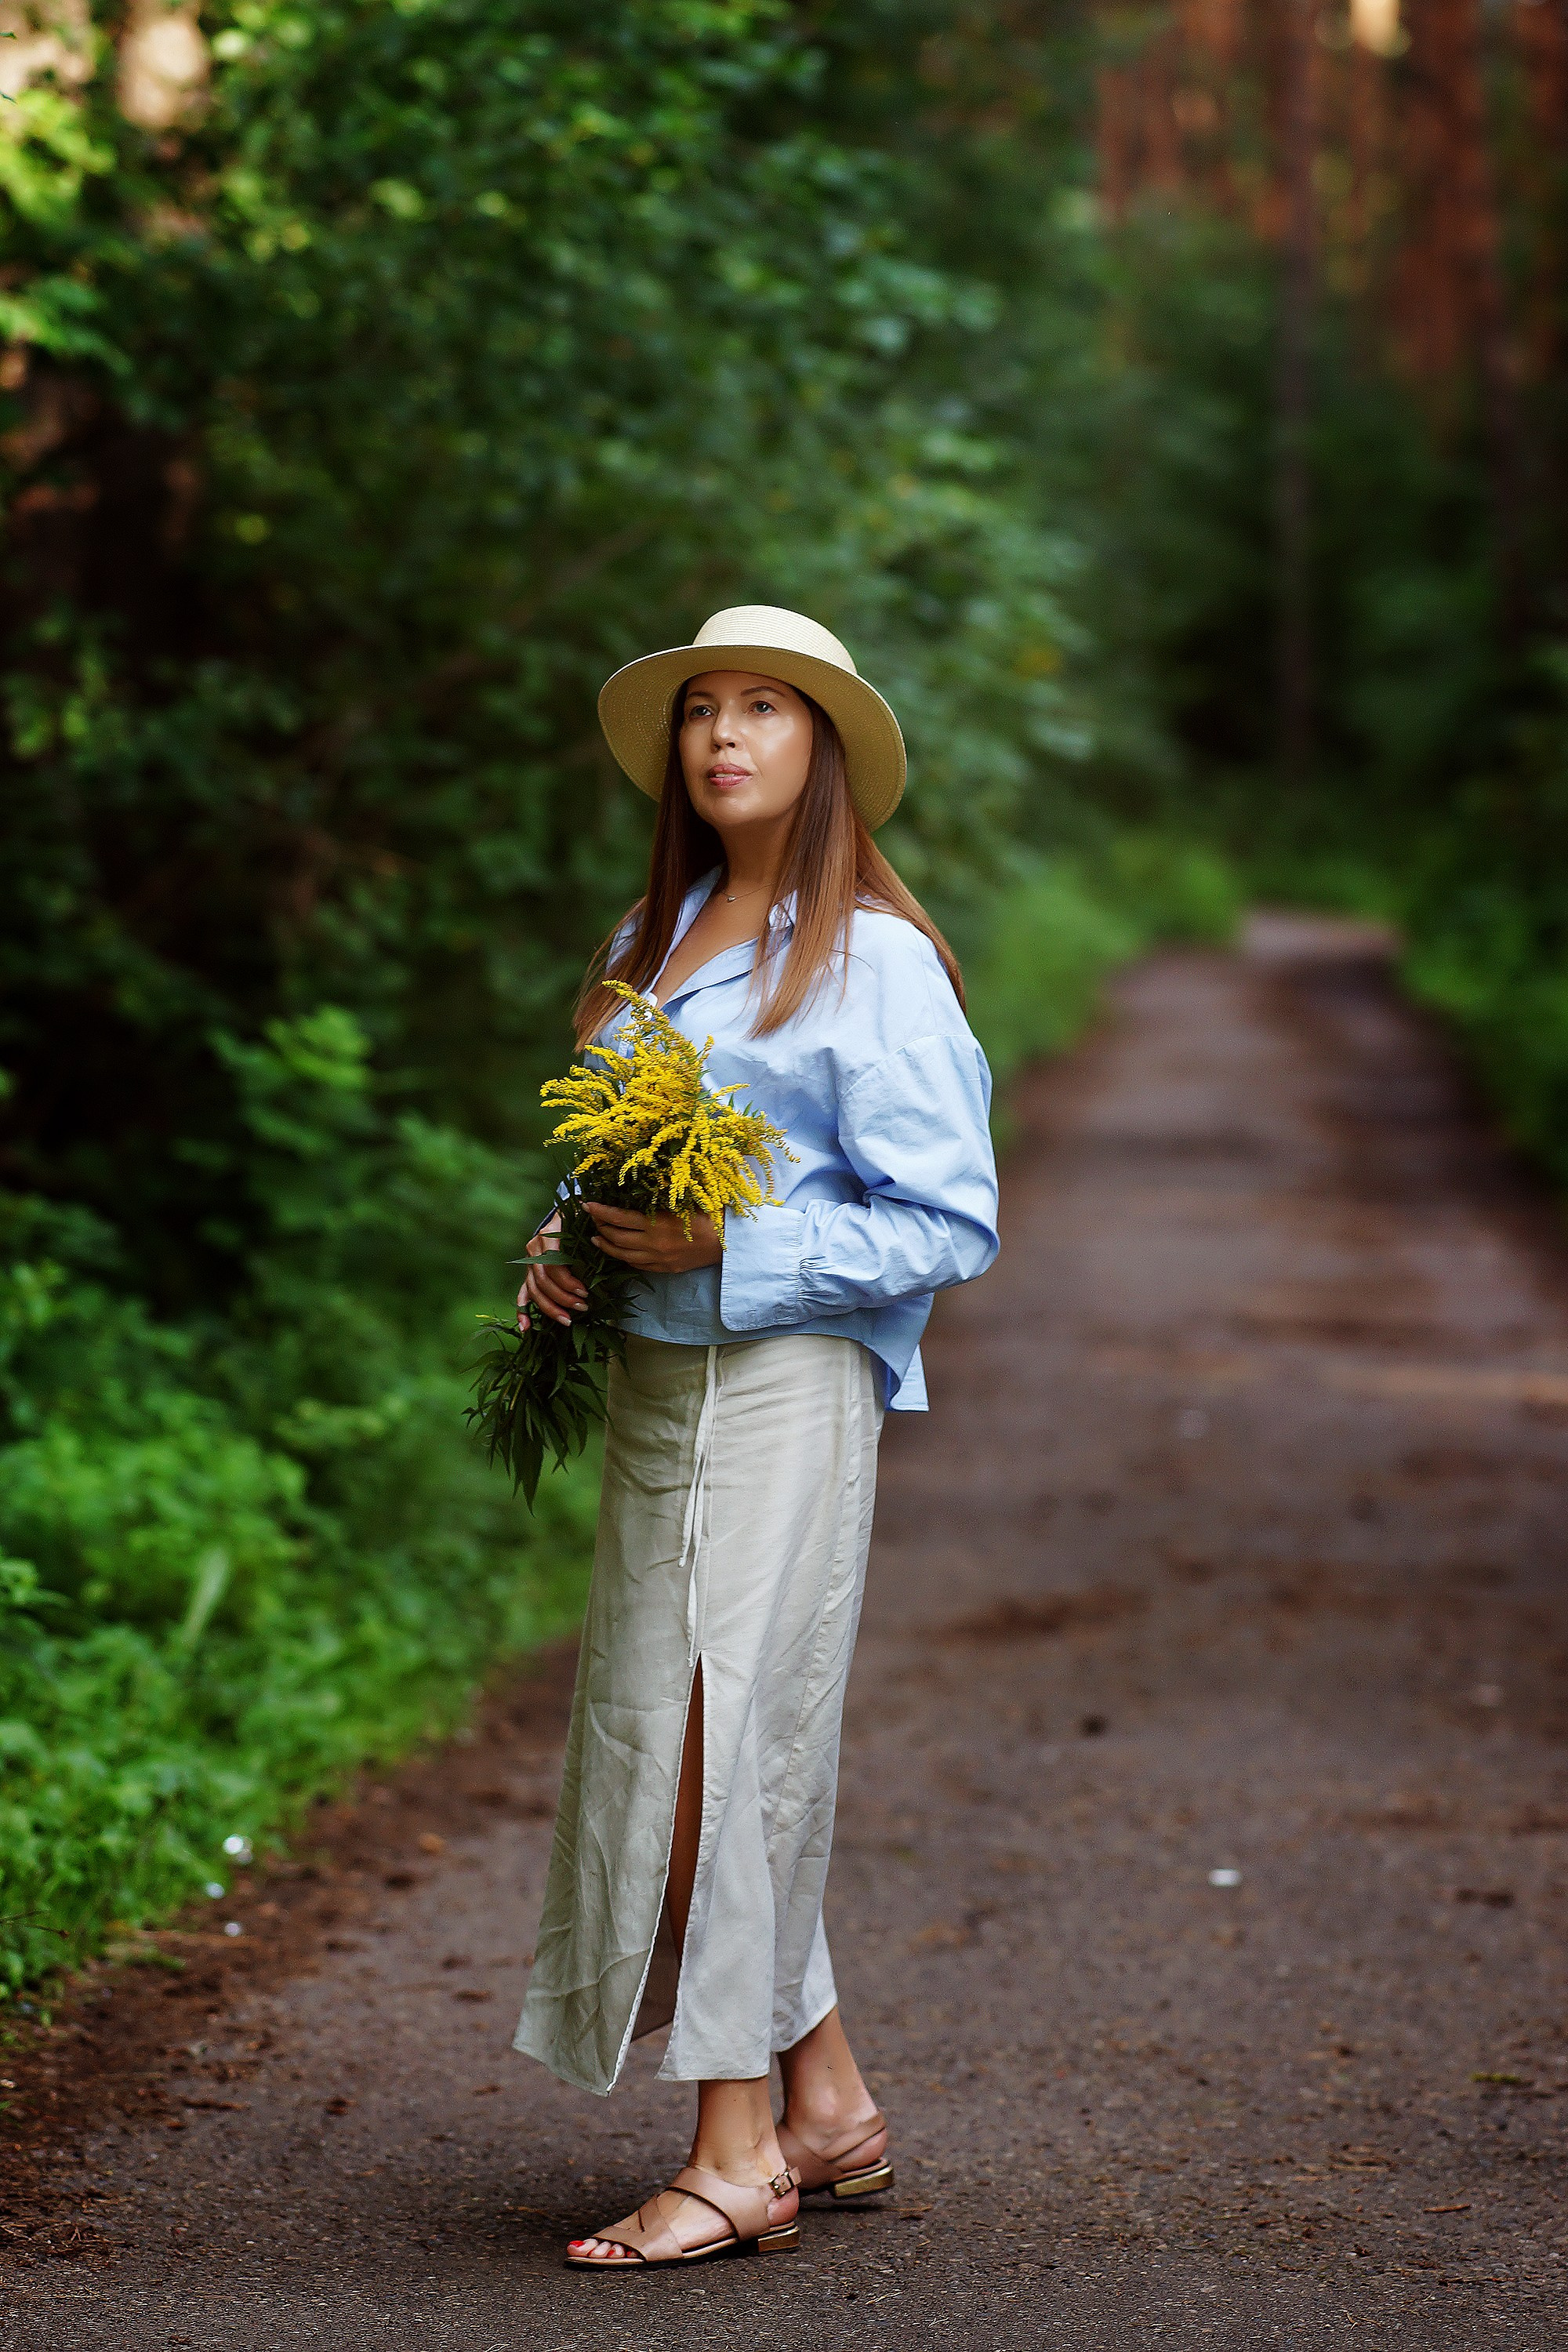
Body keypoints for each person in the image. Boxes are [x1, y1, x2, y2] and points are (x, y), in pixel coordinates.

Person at [511, 605, 999, 2269]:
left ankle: (733, 2154)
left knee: (717, 1751)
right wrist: (564, 1253)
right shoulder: (649, 938)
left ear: (826, 748)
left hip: (787, 1387)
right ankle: (830, 2105)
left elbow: (952, 1221)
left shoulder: (870, 956)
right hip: (659, 1392)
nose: (723, 736)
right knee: (671, 1750)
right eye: (701, 711)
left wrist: (745, 1248)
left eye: (765, 712)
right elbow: (613, 1158)